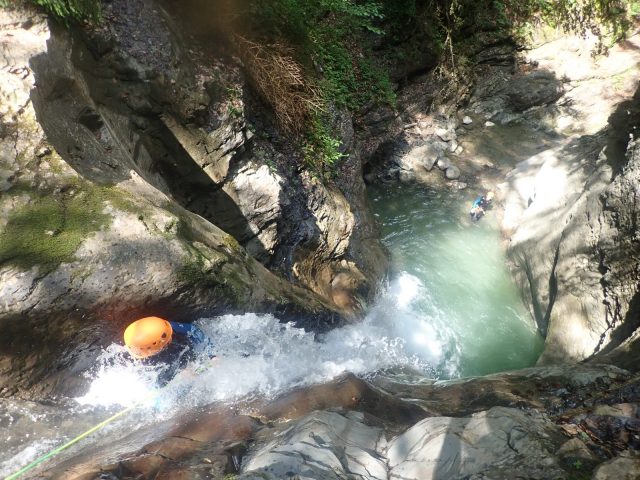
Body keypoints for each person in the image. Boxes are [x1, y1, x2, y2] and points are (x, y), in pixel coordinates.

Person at [123, 316, 214, 385]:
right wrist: (179, 375)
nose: (169, 338)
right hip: (167, 366)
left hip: (181, 349)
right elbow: (155, 384)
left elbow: (192, 330)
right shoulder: (144, 362)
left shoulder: (165, 328)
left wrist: (212, 355)